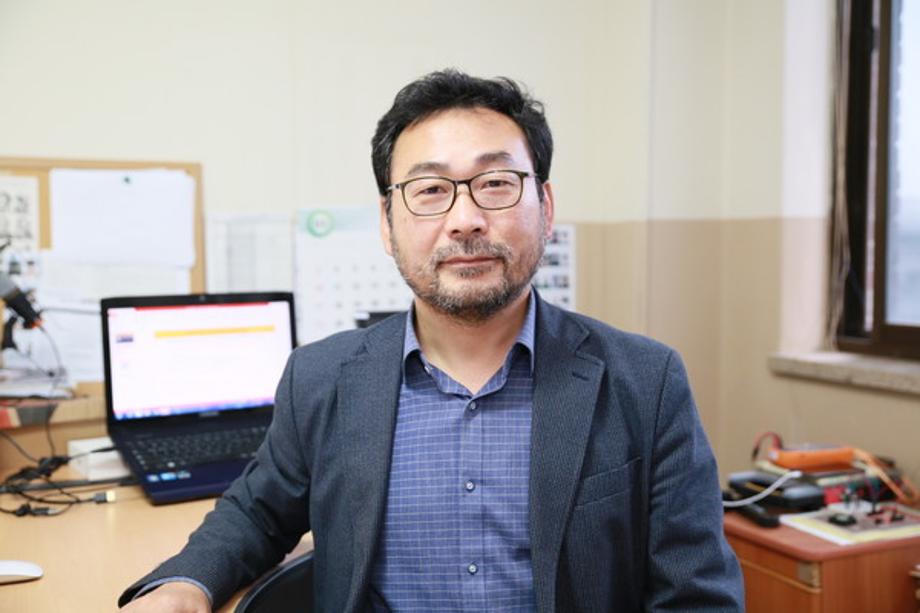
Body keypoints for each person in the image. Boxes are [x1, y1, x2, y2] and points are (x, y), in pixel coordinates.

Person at [119, 69, 743, 612]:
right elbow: (256, 513)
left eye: (496, 183)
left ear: (546, 207)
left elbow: (696, 596)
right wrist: (186, 583)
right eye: (430, 191)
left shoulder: (645, 381)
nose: (465, 219)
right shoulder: (322, 379)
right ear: (387, 224)